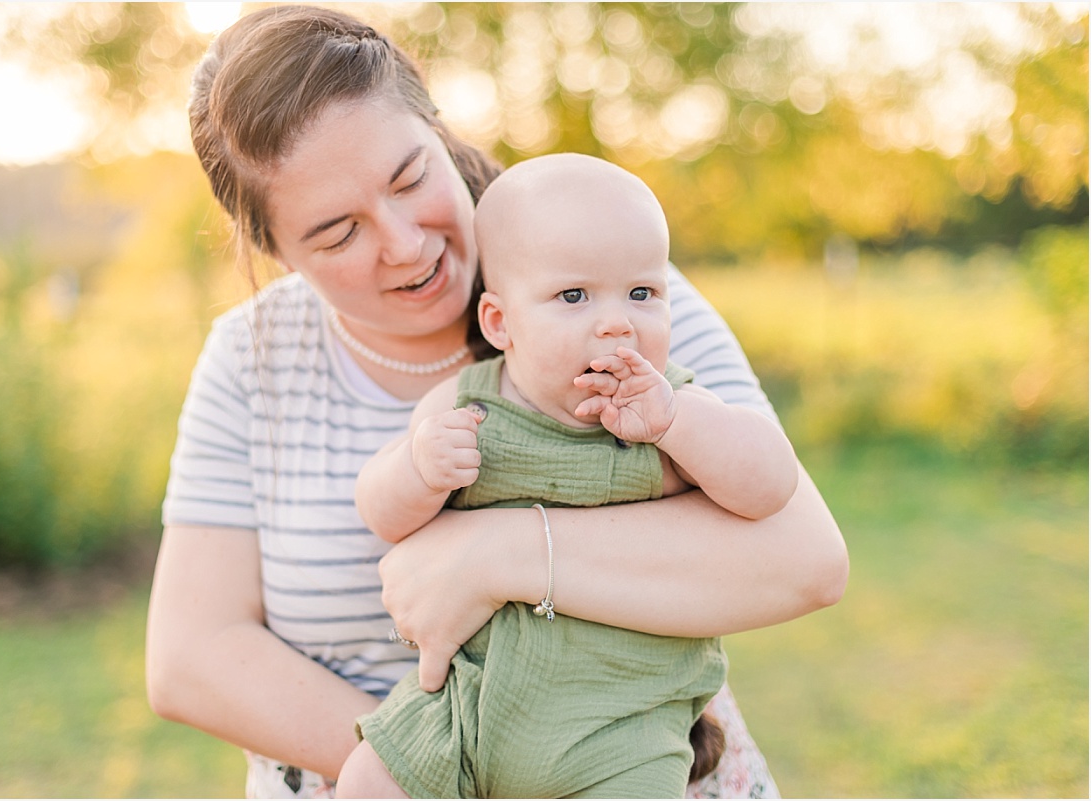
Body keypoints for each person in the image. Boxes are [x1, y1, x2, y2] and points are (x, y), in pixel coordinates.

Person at [145, 5, 848, 799]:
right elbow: (190, 657)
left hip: (624, 763)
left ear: (439, 130)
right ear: (277, 252)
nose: (406, 243)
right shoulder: (252, 358)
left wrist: (501, 555)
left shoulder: (607, 289)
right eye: (339, 234)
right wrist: (435, 762)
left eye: (411, 178)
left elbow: (806, 559)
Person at [335, 153, 800, 799]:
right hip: (464, 711)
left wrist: (678, 425)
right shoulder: (463, 408)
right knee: (366, 780)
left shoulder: (676, 410)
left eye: (643, 292)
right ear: (500, 323)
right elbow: (380, 511)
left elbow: (771, 485)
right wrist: (418, 470)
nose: (618, 321)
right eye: (574, 295)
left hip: (623, 730)